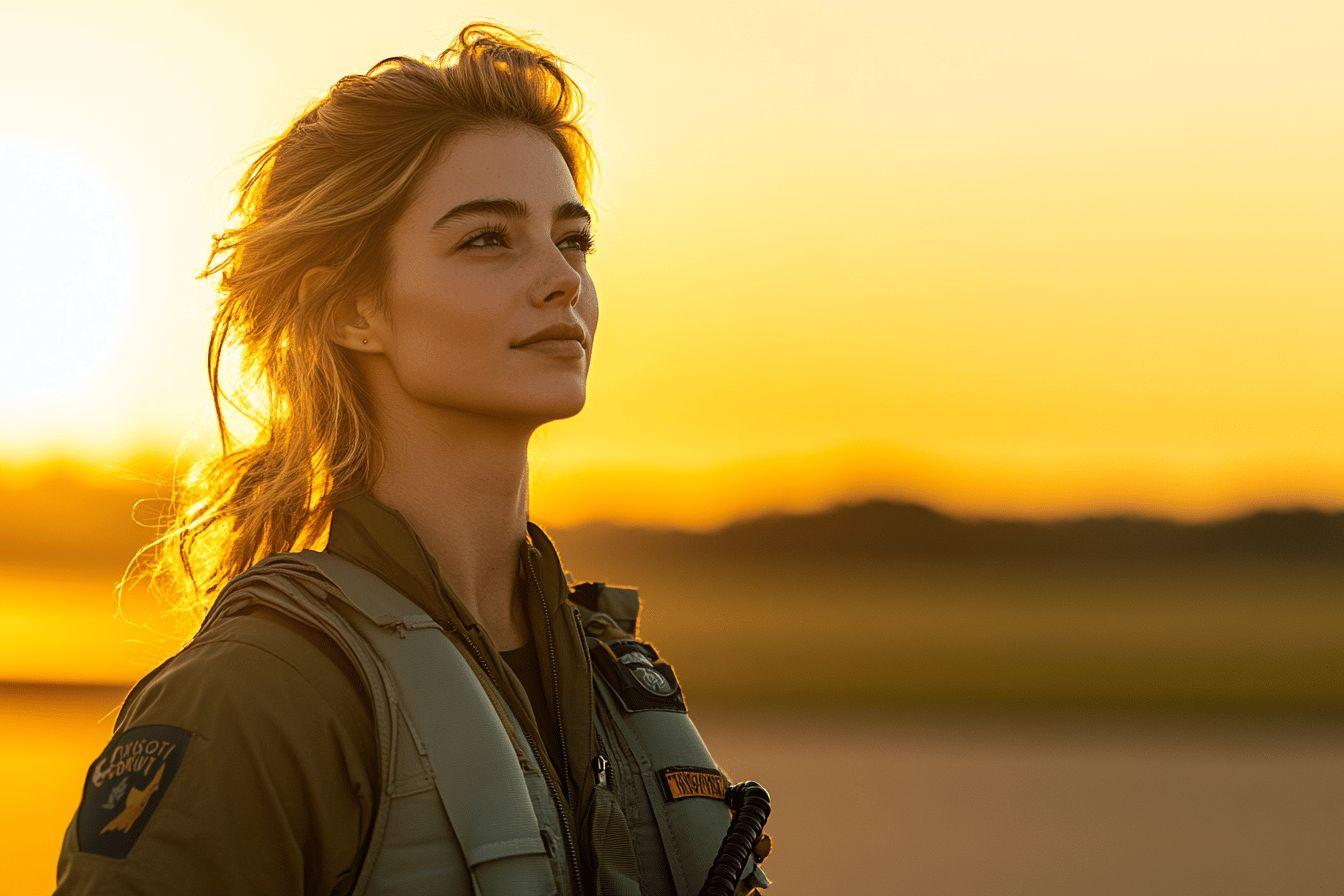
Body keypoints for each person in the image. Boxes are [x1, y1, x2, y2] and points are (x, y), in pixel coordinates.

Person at [52, 21, 771, 896]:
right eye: (487, 239)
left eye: (573, 239)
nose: (562, 281)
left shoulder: (613, 680)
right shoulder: (257, 695)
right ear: (351, 311)